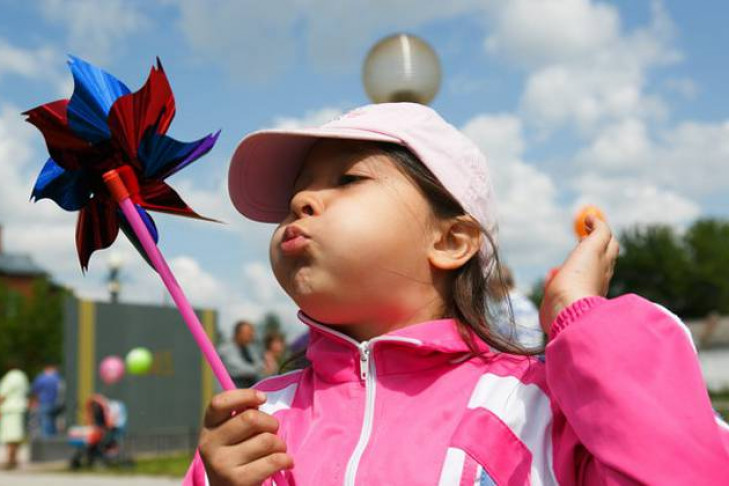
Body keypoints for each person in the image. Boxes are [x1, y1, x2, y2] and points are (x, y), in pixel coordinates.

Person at [185, 103, 729, 485]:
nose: (301, 198)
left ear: (450, 240)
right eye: (294, 195)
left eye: (348, 179)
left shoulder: (537, 404)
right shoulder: (259, 420)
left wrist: (580, 315)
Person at [488, 264, 544, 349]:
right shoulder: (527, 303)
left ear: (496, 286)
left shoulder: (506, 308)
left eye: (490, 288)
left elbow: (496, 341)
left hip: (518, 358)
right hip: (535, 356)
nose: (490, 294)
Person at [0, 363, 29, 470]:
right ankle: (14, 458)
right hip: (20, 407)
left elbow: (3, 394)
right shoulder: (23, 376)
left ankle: (10, 459)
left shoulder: (10, 377)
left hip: (10, 409)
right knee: (17, 435)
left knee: (10, 436)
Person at [218, 321, 264, 389]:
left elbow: (259, 363)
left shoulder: (250, 349)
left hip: (249, 390)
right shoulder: (225, 349)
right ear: (238, 334)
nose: (251, 336)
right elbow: (237, 369)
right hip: (232, 392)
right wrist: (259, 369)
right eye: (248, 334)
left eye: (252, 333)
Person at [31, 364, 63, 437]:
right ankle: (54, 440)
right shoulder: (58, 378)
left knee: (45, 423)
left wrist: (34, 402)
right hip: (58, 404)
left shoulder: (41, 378)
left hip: (45, 403)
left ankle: (47, 442)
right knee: (54, 423)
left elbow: (35, 391)